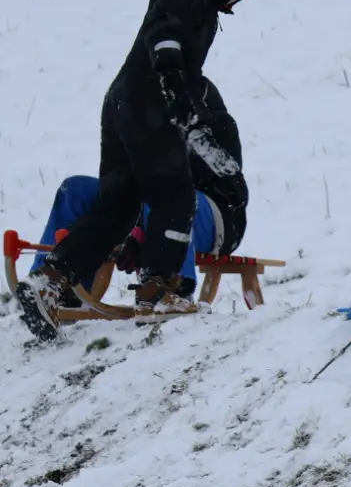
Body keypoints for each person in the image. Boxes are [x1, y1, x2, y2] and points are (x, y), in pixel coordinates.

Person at [14, 0, 266, 335]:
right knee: (174, 194)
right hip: (151, 100)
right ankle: (160, 291)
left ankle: (51, 280)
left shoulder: (197, 1)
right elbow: (163, 32)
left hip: (124, 100)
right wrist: (172, 84)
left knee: (118, 206)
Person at [21, 80, 249, 326]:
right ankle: (49, 287)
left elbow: (223, 190)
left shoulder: (215, 125)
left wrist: (140, 231)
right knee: (75, 189)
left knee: (167, 190)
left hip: (215, 219)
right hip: (144, 206)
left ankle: (171, 289)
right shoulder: (143, 120)